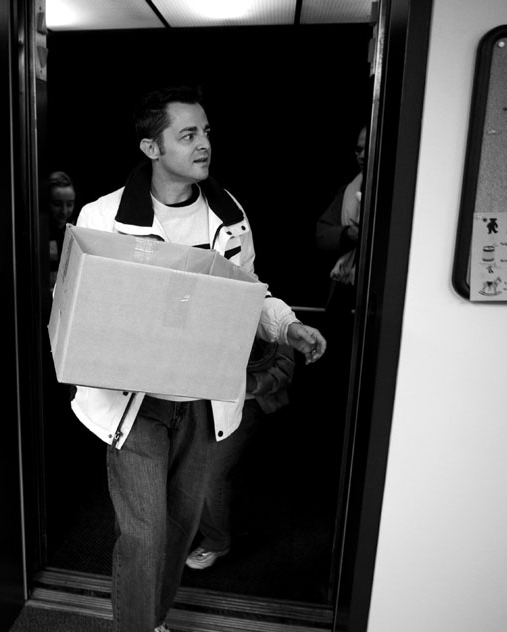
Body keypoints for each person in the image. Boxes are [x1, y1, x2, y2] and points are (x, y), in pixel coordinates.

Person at [66, 85, 327, 632]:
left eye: (206, 132)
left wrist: (288, 325)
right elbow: (80, 304)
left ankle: (153, 620)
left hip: (203, 399)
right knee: (145, 532)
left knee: (182, 526)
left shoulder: (230, 217)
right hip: (134, 401)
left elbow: (250, 290)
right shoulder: (103, 216)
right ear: (151, 148)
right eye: (188, 134)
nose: (204, 143)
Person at [184, 336, 295, 571]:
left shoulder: (269, 310)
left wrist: (244, 383)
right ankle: (230, 521)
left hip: (247, 402)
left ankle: (216, 541)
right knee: (191, 462)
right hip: (200, 399)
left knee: (211, 474)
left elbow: (283, 370)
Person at [315, 125, 366, 314]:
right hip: (344, 289)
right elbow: (322, 235)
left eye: (367, 149)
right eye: (358, 149)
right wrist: (348, 234)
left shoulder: (398, 195)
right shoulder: (348, 191)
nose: (361, 155)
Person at [46, 170, 78, 288]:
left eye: (69, 204)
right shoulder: (38, 235)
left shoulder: (76, 231)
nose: (64, 211)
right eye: (57, 204)